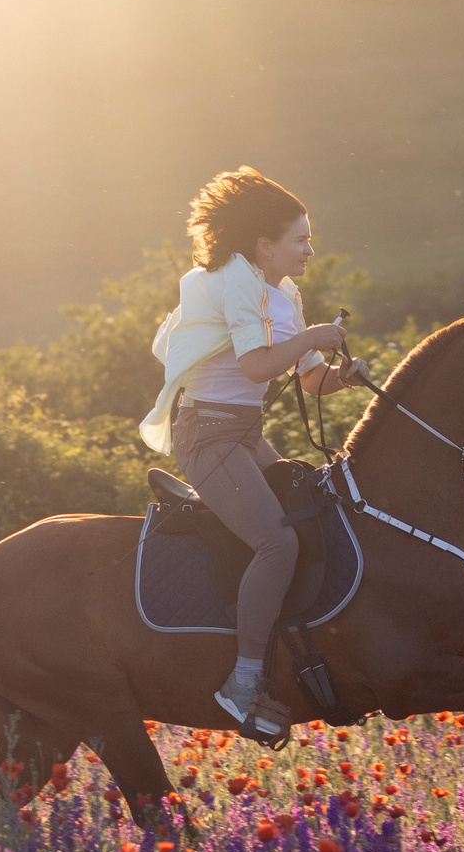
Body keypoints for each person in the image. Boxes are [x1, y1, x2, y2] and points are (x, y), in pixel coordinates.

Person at [141, 167, 373, 740]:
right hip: (208, 435)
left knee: (314, 514)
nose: (310, 250)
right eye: (300, 240)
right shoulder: (236, 282)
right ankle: (242, 680)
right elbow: (256, 367)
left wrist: (344, 376)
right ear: (265, 245)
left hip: (244, 434)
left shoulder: (285, 292)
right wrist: (311, 338)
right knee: (277, 542)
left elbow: (310, 380)